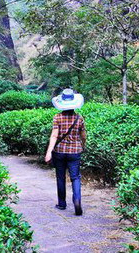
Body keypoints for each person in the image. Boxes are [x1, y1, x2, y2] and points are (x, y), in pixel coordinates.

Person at [45, 88, 86, 216]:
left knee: (60, 177)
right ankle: (77, 200)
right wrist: (83, 146)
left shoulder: (57, 117)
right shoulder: (79, 118)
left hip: (59, 152)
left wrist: (49, 152)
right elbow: (83, 136)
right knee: (75, 177)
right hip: (75, 152)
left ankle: (62, 204)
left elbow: (54, 136)